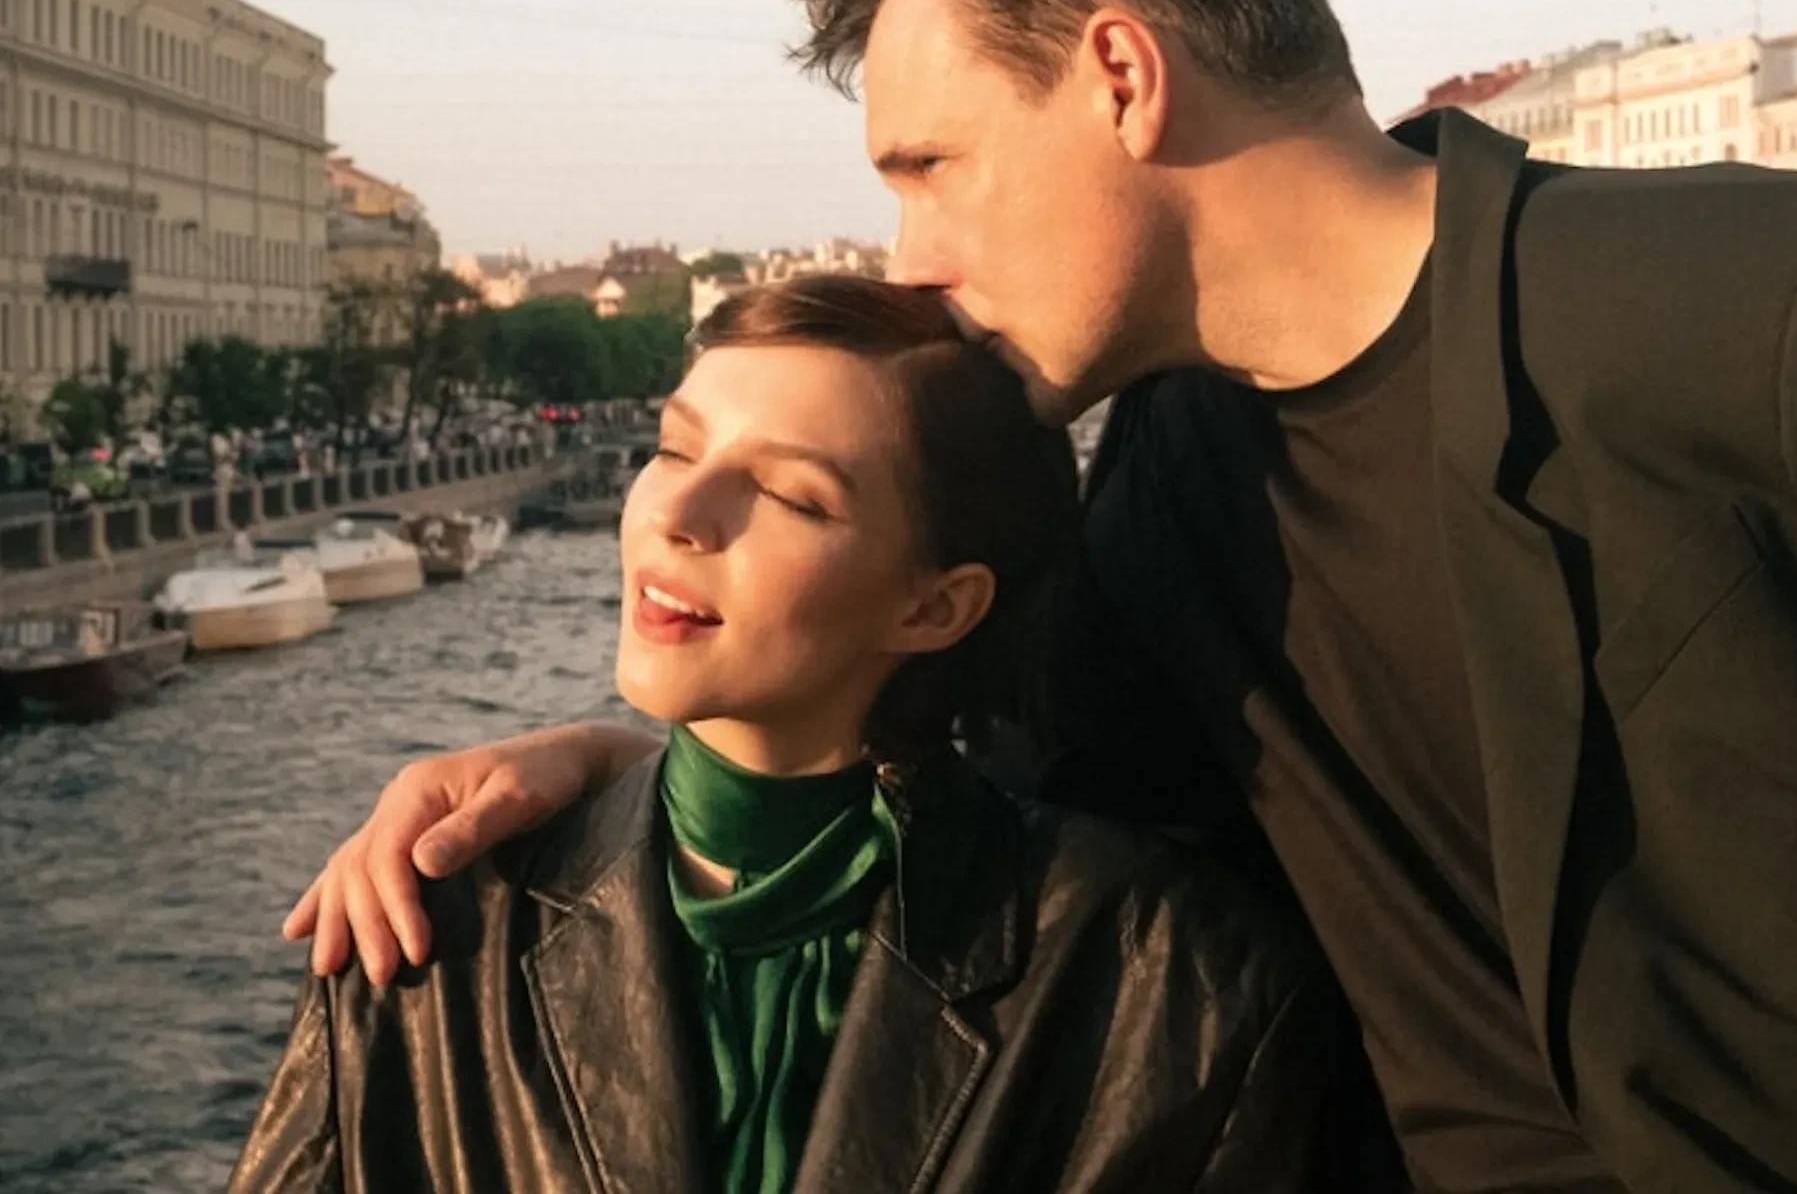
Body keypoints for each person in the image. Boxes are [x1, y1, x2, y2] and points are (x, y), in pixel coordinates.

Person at [287, 0, 1797, 1190]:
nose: (912, 256)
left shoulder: (1770, 304)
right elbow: (965, 804)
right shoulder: (1156, 477)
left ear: (1120, 75)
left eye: (930, 167)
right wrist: (610, 774)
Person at [232, 276, 1373, 1194]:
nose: (679, 516)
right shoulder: (425, 917)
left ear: (935, 607)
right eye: (674, 449)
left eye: (789, 496)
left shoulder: (1177, 983)